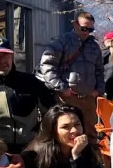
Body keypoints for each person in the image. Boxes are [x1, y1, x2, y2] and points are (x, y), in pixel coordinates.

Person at [0, 33, 56, 151]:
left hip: (32, 150)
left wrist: (41, 140)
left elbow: (51, 113)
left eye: (6, 55)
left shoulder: (31, 82)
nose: (2, 60)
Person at [37, 10, 104, 138]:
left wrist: (98, 90)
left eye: (90, 30)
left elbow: (99, 71)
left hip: (89, 99)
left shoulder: (94, 46)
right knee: (68, 133)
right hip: (67, 98)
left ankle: (90, 157)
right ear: (75, 24)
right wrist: (62, 88)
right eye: (84, 28)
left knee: (91, 133)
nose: (86, 32)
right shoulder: (61, 42)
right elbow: (47, 66)